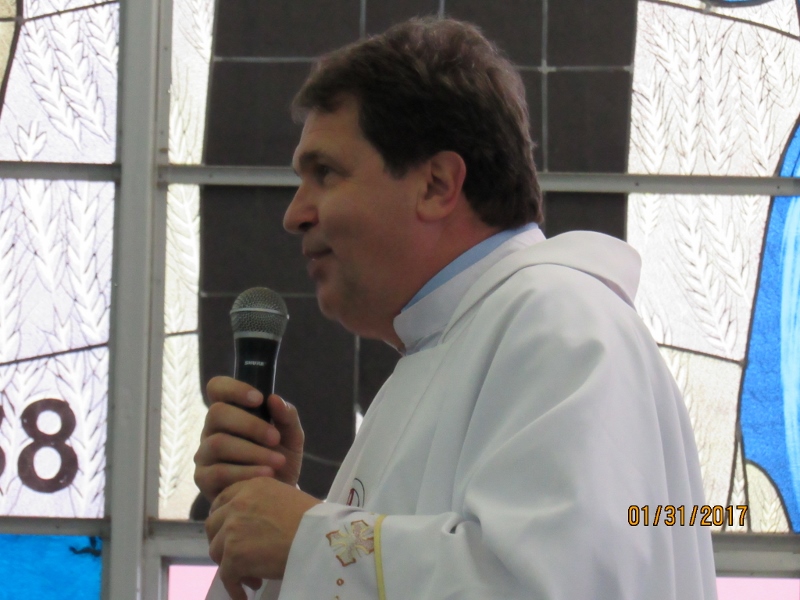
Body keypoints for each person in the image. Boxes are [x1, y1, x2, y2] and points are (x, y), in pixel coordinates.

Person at [195, 17, 717, 600]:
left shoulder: (560, 322)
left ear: (437, 185)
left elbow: (563, 586)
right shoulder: (443, 351)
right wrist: (268, 526)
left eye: (325, 174)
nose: (295, 214)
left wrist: (307, 540)